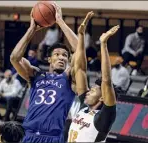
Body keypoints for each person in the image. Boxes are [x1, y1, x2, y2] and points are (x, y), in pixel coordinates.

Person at [10, 3, 92, 143]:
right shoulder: (35, 75)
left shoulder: (68, 78)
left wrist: (59, 21)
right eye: (57, 54)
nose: (61, 57)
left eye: (65, 55)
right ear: (49, 59)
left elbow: (80, 51)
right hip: (28, 134)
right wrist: (32, 29)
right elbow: (14, 58)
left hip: (53, 137)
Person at [68, 23, 119, 142]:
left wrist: (103, 44)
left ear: (102, 98)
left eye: (93, 90)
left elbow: (106, 80)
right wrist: (81, 35)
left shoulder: (104, 117)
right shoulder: (83, 108)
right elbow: (80, 69)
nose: (88, 91)